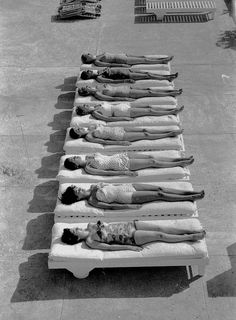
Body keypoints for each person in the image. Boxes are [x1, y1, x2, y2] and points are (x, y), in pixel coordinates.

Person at [61, 220, 206, 250]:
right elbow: (110, 248)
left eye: (74, 227)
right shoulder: (90, 241)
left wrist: (100, 225)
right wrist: (130, 248)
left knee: (161, 227)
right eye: (75, 231)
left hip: (130, 225)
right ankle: (190, 237)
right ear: (76, 238)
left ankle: (192, 231)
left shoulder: (90, 225)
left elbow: (107, 224)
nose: (77, 227)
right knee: (159, 235)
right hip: (130, 238)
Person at [60, 182, 205, 207]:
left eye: (76, 188)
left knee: (160, 188)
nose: (78, 189)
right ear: (77, 198)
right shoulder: (92, 200)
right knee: (159, 194)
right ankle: (190, 197)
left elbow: (113, 185)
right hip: (126, 198)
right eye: (76, 191)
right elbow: (112, 207)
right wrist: (129, 208)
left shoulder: (93, 187)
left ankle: (192, 192)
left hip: (127, 187)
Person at [64, 153, 194, 176]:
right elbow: (108, 173)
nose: (75, 157)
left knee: (151, 157)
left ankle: (179, 160)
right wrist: (126, 172)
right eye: (73, 159)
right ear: (75, 165)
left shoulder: (88, 157)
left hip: (121, 156)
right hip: (121, 165)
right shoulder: (89, 168)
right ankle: (180, 164)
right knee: (151, 162)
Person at [69, 124, 183, 144]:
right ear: (79, 135)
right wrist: (121, 142)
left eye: (78, 128)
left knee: (144, 129)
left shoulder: (90, 128)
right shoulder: (89, 137)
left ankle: (167, 131)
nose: (79, 128)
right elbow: (104, 141)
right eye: (78, 130)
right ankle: (169, 134)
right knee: (145, 135)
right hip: (119, 136)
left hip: (119, 129)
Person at [75, 103, 184, 121]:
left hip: (123, 106)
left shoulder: (96, 106)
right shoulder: (95, 114)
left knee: (149, 106)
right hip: (122, 113)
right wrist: (124, 118)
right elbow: (108, 119)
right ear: (85, 112)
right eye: (84, 107)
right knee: (149, 111)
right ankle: (172, 112)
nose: (86, 105)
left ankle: (171, 110)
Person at [78, 85, 182, 101]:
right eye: (85, 88)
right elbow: (112, 99)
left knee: (149, 89)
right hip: (127, 94)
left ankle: (172, 91)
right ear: (87, 92)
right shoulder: (98, 95)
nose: (87, 86)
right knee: (150, 92)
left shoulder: (98, 86)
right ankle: (171, 94)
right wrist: (126, 99)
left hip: (127, 88)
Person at [80, 68, 178, 83]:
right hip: (127, 76)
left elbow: (110, 68)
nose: (89, 70)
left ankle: (168, 77)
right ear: (89, 76)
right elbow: (113, 81)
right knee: (148, 75)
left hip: (126, 70)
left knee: (147, 73)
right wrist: (126, 81)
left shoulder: (98, 72)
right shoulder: (99, 78)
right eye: (88, 72)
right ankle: (168, 78)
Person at [81, 53, 173, 67]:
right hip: (124, 61)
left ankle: (163, 59)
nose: (90, 53)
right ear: (87, 59)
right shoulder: (97, 62)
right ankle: (162, 61)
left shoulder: (97, 56)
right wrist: (122, 65)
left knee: (143, 57)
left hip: (124, 56)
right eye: (88, 55)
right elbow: (110, 65)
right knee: (144, 60)